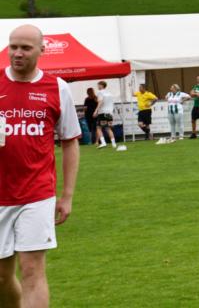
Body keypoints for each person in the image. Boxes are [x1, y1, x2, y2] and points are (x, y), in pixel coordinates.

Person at [0, 24, 81, 308]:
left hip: (37, 192)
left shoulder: (57, 88)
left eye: (25, 48)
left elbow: (70, 142)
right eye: (13, 47)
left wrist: (67, 195)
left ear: (41, 50)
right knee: (1, 277)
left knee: (32, 270)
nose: (17, 53)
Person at [95, 80, 117, 149]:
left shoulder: (100, 92)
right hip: (110, 113)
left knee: (98, 127)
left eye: (98, 85)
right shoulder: (109, 93)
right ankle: (114, 144)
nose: (97, 86)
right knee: (108, 128)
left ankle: (103, 142)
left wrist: (96, 110)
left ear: (102, 85)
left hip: (102, 112)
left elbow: (100, 102)